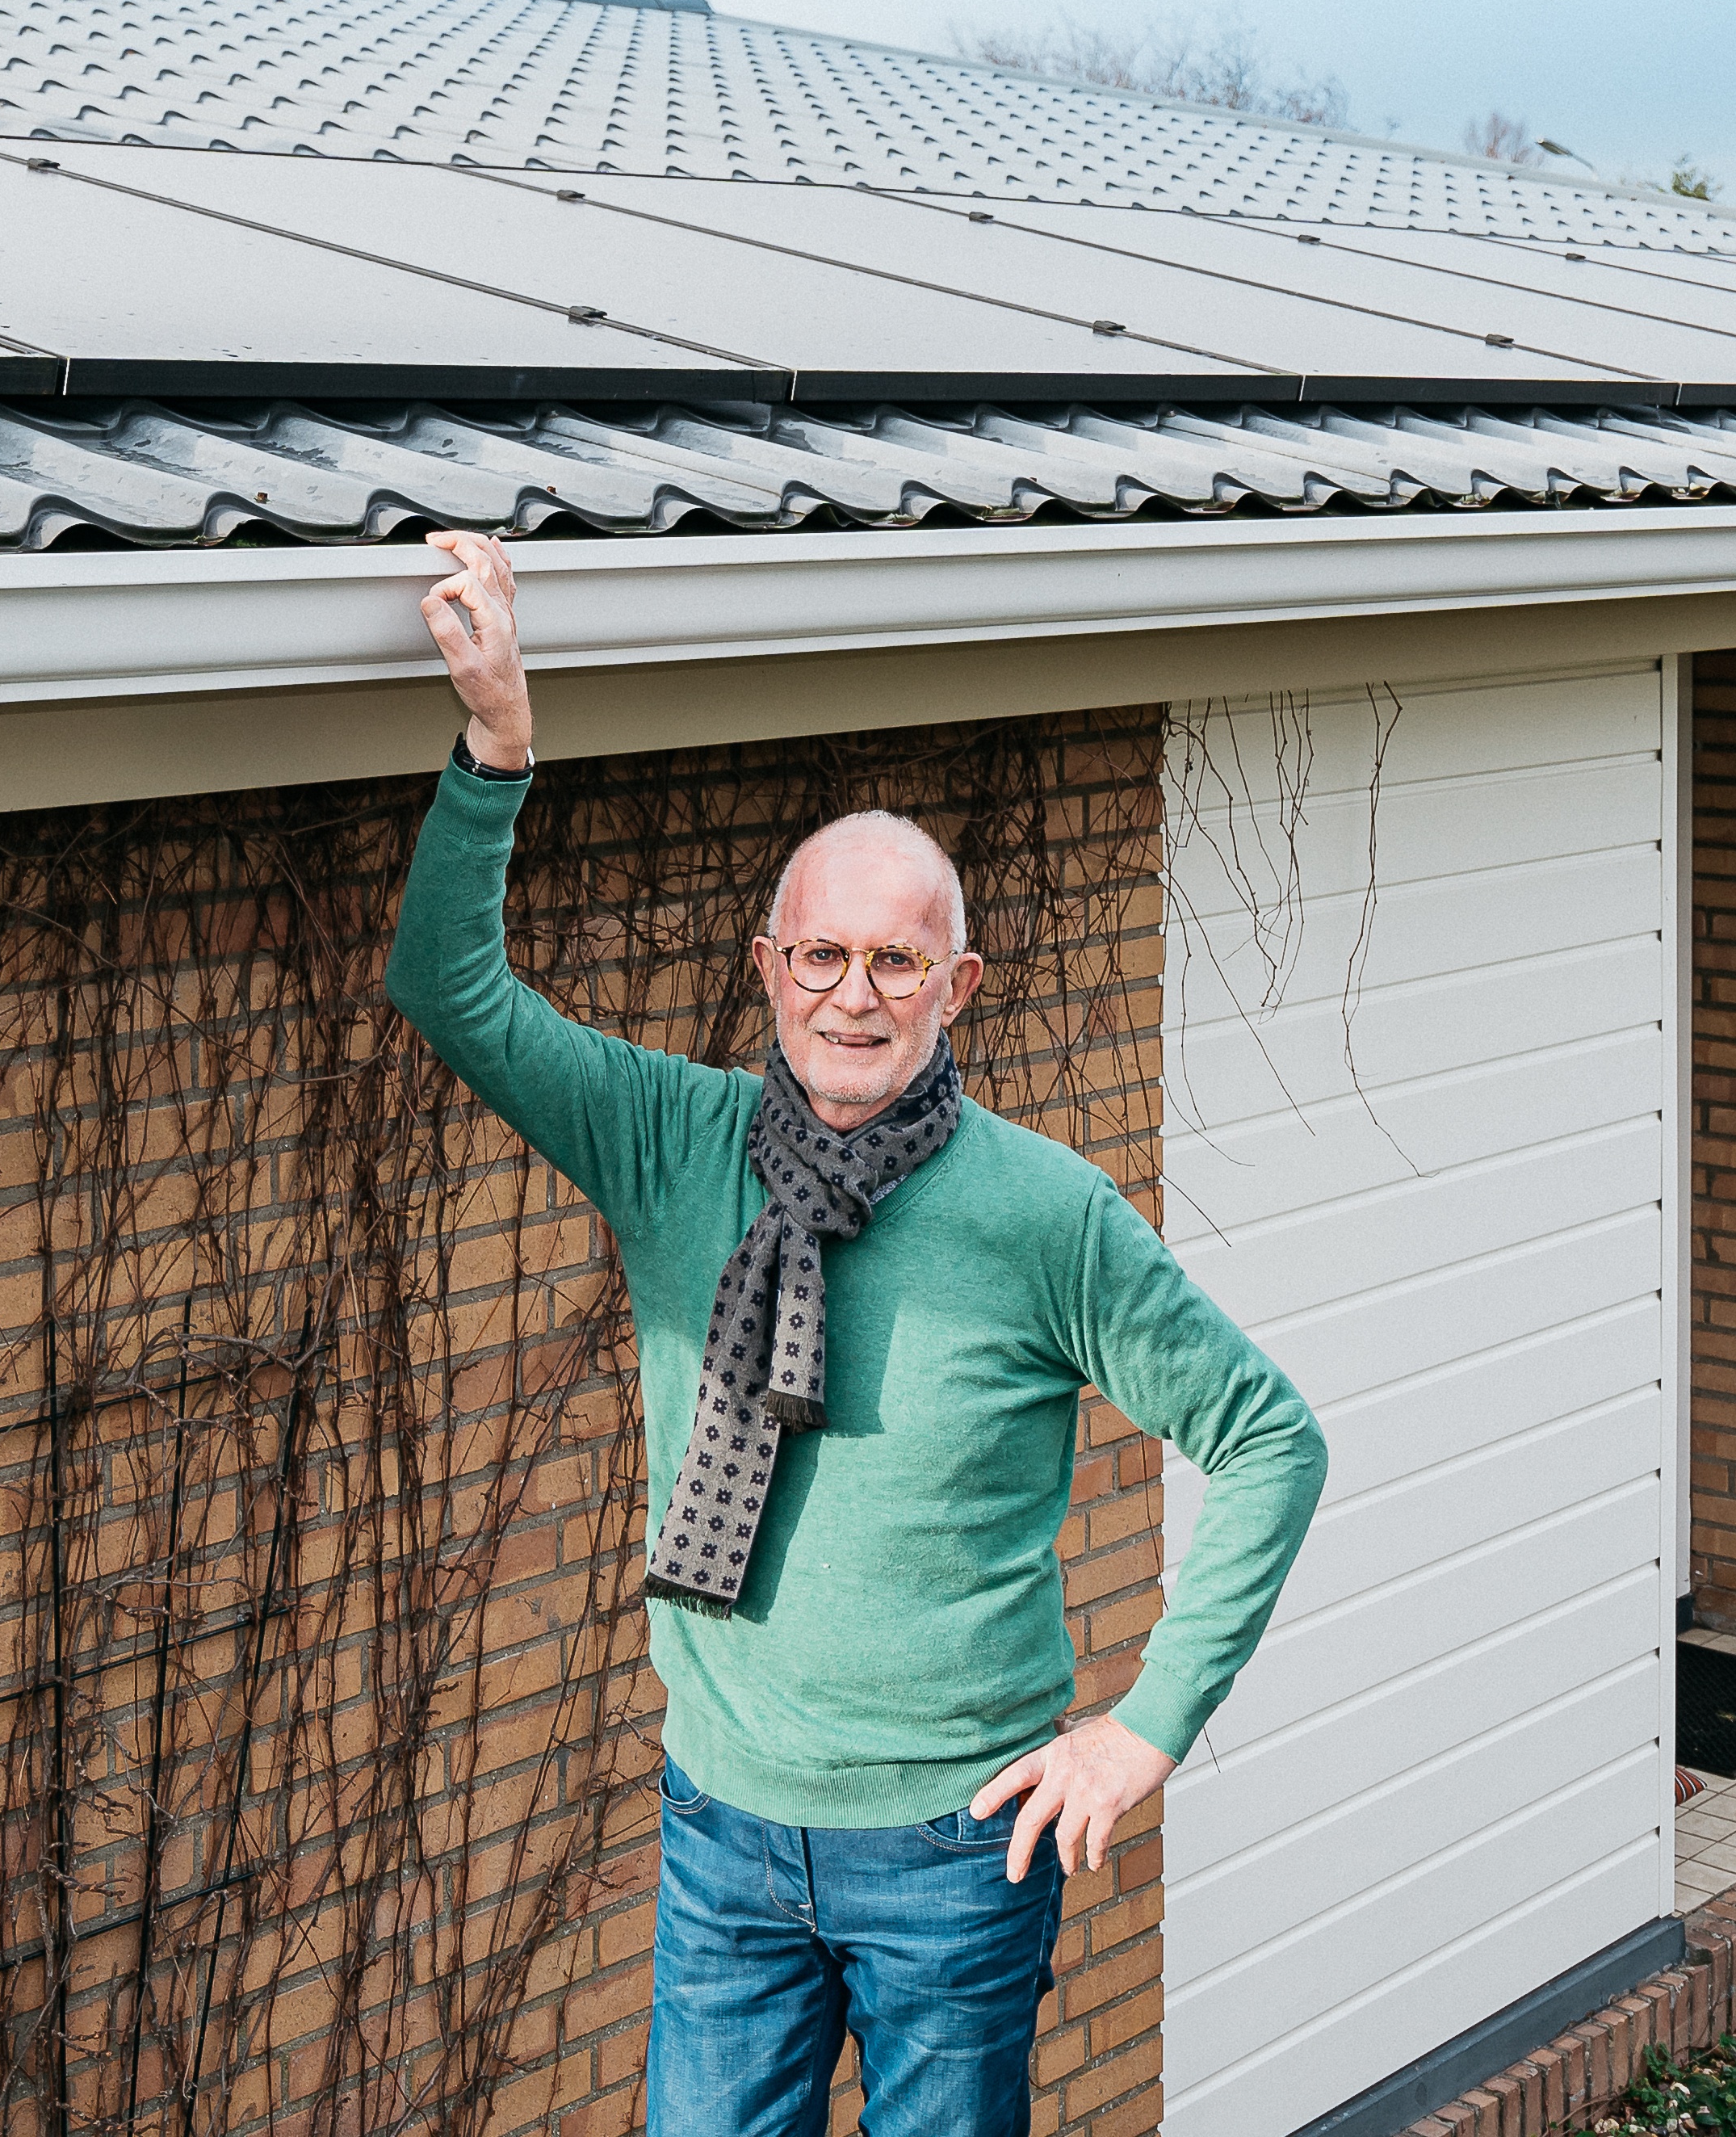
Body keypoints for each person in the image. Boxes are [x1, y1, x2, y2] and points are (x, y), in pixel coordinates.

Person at [387, 529, 1327, 2137]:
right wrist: (497, 746)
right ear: (770, 969)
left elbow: (1269, 1438)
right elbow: (447, 986)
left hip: (956, 1851)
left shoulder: (1044, 1213)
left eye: (896, 960)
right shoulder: (671, 1141)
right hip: (723, 1829)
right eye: (821, 954)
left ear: (957, 983)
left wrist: (1145, 1729)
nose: (853, 993)